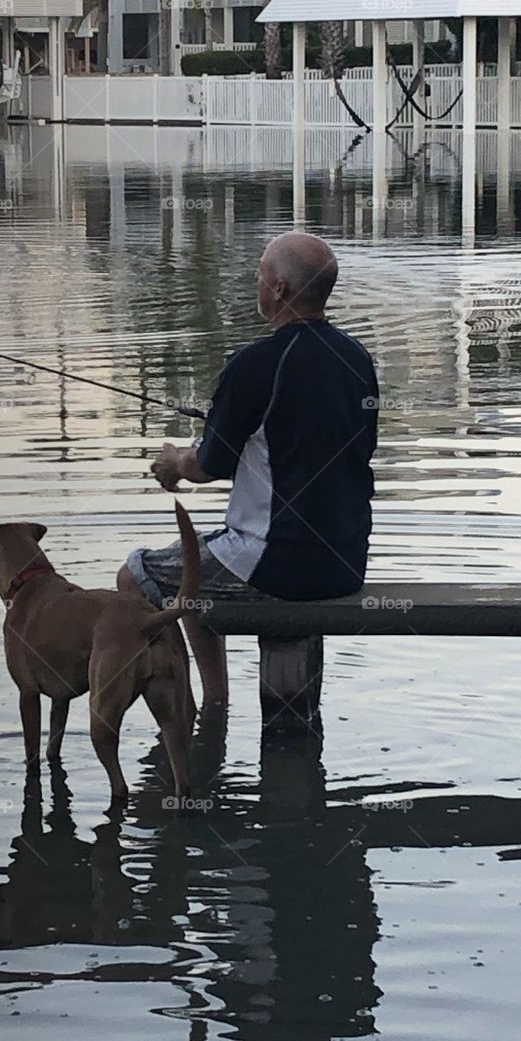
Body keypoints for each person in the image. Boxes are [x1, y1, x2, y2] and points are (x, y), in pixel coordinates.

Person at [117, 230, 379, 707]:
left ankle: (205, 704)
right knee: (193, 562)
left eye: (259, 274)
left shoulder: (256, 364)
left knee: (138, 575)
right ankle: (217, 702)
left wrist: (174, 461)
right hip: (346, 563)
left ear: (278, 288)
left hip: (277, 562)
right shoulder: (358, 359)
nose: (255, 282)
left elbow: (209, 465)